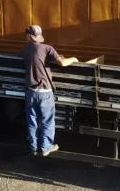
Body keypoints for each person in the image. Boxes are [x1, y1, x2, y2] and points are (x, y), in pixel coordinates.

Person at [19, 25, 77, 157]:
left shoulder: (24, 50)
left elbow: (32, 58)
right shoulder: (47, 48)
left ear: (28, 36)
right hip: (45, 93)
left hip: (31, 92)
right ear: (39, 36)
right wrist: (73, 59)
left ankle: (33, 147)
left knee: (32, 120)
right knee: (47, 121)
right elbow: (62, 63)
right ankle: (45, 148)